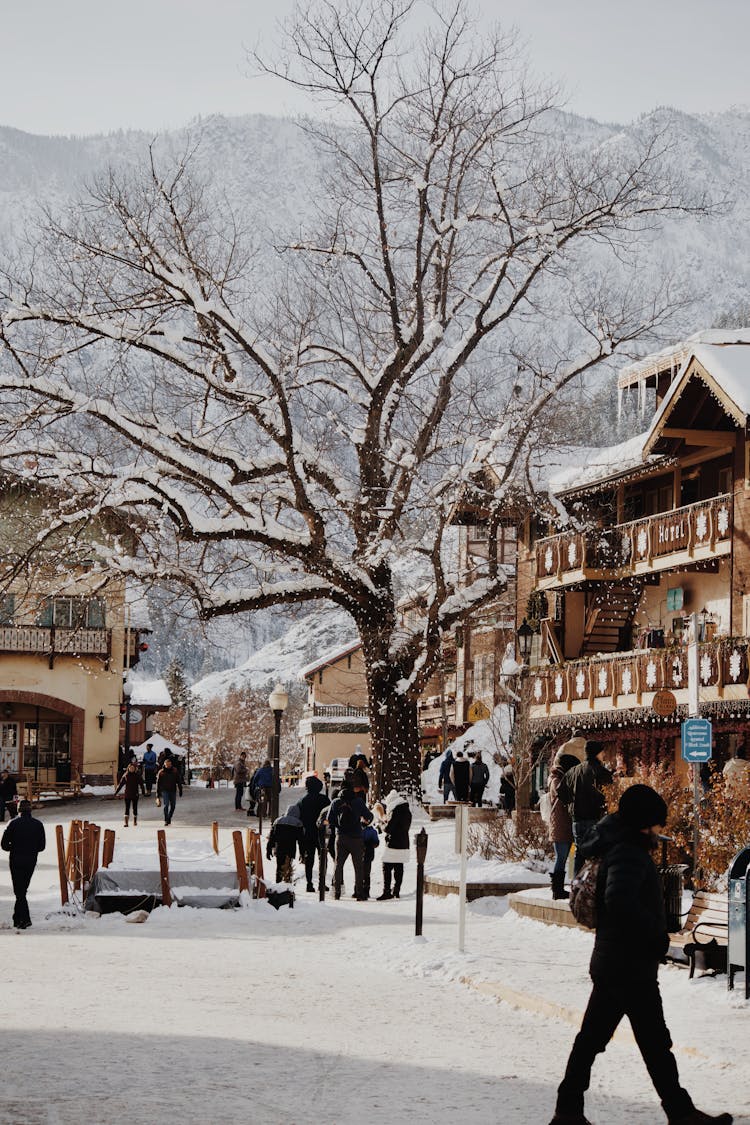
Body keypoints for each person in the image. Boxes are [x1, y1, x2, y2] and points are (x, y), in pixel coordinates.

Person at [550, 784, 733, 1125]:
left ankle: (568, 1111)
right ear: (644, 822)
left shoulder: (619, 847)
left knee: (599, 1040)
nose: (660, 830)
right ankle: (680, 1113)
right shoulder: (628, 853)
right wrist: (655, 934)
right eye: (657, 823)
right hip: (628, 965)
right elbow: (620, 901)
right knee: (649, 1043)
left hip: (617, 962)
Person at [563, 740, 613, 874]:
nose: (604, 754)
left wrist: (570, 804)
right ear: (596, 753)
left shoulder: (573, 771)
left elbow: (559, 790)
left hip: (577, 819)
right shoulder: (602, 772)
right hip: (595, 817)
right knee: (597, 853)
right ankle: (593, 885)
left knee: (579, 852)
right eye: (602, 752)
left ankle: (575, 883)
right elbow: (609, 794)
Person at [1, 799, 46, 929]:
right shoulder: (38, 824)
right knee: (22, 890)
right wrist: (31, 849)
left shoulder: (13, 823)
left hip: (16, 860)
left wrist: (14, 847)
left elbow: (4, 844)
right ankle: (18, 919)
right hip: (31, 860)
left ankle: (24, 920)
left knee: (19, 891)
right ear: (30, 810)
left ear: (19, 810)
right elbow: (41, 846)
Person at [329, 775, 373, 901]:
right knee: (358, 866)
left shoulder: (336, 802)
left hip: (341, 838)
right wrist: (364, 823)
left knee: (339, 865)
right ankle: (359, 893)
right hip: (356, 838)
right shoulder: (358, 801)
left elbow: (330, 820)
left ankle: (337, 892)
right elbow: (369, 816)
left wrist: (337, 827)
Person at [547, 750, 581, 899]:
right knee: (561, 858)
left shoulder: (559, 778)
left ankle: (559, 889)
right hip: (559, 825)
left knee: (565, 857)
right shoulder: (556, 780)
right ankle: (557, 890)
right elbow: (565, 795)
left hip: (564, 824)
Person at [377, 789, 412, 900]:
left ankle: (386, 891)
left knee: (386, 866)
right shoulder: (407, 811)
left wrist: (382, 825)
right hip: (404, 842)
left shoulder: (395, 811)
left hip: (393, 843)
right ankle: (396, 890)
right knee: (398, 867)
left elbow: (389, 828)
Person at [298, 775, 330, 891]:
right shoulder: (324, 799)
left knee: (309, 859)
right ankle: (322, 883)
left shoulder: (302, 801)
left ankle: (309, 883)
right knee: (323, 858)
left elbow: (299, 817)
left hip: (308, 833)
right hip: (321, 832)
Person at [266, 803, 305, 883]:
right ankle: (286, 885)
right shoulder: (298, 823)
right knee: (287, 868)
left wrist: (269, 849)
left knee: (279, 867)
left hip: (279, 848)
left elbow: (272, 837)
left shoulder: (278, 821)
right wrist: (302, 853)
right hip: (290, 848)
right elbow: (301, 841)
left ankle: (278, 884)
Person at [115, 760, 145, 826]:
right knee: (127, 808)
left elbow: (141, 784)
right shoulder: (126, 776)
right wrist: (116, 792)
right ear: (128, 768)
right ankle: (126, 823)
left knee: (135, 808)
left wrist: (143, 792)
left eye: (133, 768)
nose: (131, 769)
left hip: (135, 794)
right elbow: (120, 785)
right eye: (130, 768)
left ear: (135, 769)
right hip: (127, 794)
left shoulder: (137, 776)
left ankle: (135, 821)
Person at [156, 757, 183, 825]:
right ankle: (166, 819)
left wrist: (180, 790)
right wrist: (157, 795)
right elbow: (158, 784)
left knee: (173, 806)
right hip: (165, 791)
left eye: (169, 764)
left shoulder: (174, 771)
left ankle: (169, 817)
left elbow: (178, 781)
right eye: (166, 765)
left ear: (171, 764)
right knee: (166, 805)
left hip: (173, 790)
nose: (168, 766)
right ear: (164, 765)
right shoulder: (161, 772)